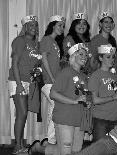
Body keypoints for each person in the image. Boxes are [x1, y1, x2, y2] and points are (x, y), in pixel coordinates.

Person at [28, 43, 91, 155]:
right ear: (73, 56)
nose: (84, 57)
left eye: (86, 55)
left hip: (79, 118)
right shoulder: (65, 72)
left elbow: (82, 95)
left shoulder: (84, 77)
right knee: (66, 149)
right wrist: (74, 101)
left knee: (75, 150)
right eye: (81, 54)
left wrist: (88, 103)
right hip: (64, 117)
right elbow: (53, 94)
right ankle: (38, 148)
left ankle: (38, 148)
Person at [8, 15, 40, 154]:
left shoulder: (36, 43)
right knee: (21, 114)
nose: (34, 28)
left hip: (28, 82)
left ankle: (20, 145)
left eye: (35, 25)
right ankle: (17, 147)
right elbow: (14, 64)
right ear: (25, 27)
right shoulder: (19, 41)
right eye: (30, 25)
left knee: (23, 114)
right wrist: (19, 84)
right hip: (17, 81)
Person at [88, 44, 117, 142]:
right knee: (100, 149)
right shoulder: (96, 76)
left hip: (115, 119)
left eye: (113, 57)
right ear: (100, 58)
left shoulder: (114, 75)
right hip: (101, 119)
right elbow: (95, 100)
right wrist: (114, 97)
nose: (111, 59)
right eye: (108, 57)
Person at [40, 15, 65, 145]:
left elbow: (54, 62)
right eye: (60, 25)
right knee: (57, 107)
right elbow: (44, 60)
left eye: (63, 26)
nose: (62, 28)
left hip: (54, 81)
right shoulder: (46, 39)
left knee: (53, 109)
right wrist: (52, 77)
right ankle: (50, 140)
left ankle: (50, 140)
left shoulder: (55, 43)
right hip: (48, 81)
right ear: (53, 25)